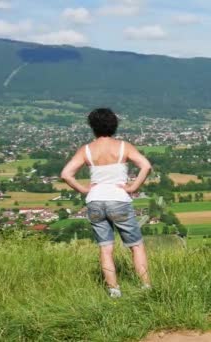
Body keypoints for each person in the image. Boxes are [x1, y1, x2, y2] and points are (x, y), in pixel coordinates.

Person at [61, 108, 152, 298]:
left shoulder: (86, 150)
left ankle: (114, 291)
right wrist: (133, 186)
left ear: (92, 127)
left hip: (95, 202)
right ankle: (145, 287)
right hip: (118, 201)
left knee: (105, 248)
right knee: (136, 245)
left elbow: (66, 174)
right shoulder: (123, 147)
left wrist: (84, 189)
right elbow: (146, 166)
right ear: (114, 125)